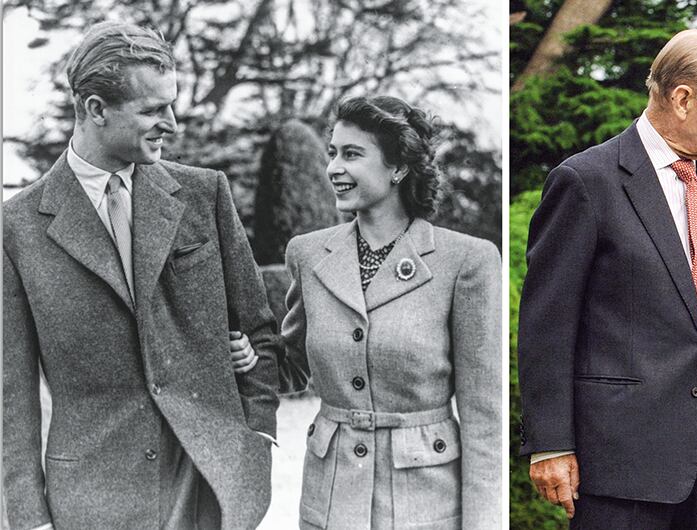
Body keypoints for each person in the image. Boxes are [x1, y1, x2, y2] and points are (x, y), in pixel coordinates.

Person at [2, 21, 280, 529]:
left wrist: (257, 435)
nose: (171, 123)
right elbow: (10, 391)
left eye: (171, 104)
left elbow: (259, 330)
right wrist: (29, 517)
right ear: (95, 109)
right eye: (153, 110)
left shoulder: (204, 194)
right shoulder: (16, 227)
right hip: (91, 501)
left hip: (208, 487)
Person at [516, 29, 697, 528]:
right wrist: (551, 442)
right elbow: (547, 327)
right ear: (682, 99)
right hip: (616, 466)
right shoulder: (584, 182)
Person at [232, 95, 501, 529]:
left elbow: (484, 421)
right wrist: (250, 358)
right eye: (332, 153)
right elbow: (295, 368)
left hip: (426, 507)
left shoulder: (466, 262)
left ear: (398, 167)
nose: (333, 168)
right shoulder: (308, 254)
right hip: (331, 502)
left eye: (352, 154)